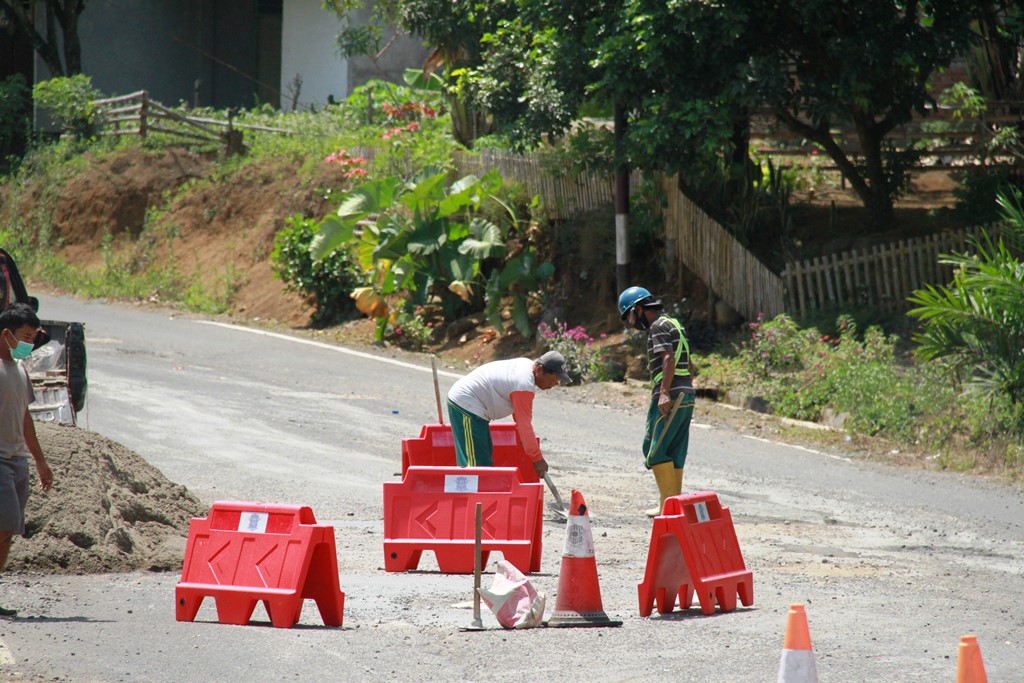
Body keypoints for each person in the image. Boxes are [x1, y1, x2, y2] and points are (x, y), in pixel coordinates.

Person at [618, 286, 696, 517]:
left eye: (629, 317)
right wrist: (687, 386)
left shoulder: (657, 327)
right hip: (686, 395)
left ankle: (668, 505)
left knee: (654, 449)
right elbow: (688, 362)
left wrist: (664, 393)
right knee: (675, 448)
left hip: (671, 395)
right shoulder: (674, 324)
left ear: (638, 310)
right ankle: (673, 504)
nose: (631, 324)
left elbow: (669, 358)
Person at [0, 303, 54, 617]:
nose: (29, 345)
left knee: (8, 533)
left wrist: (40, 462)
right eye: (25, 337)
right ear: (6, 334)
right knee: (4, 524)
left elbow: (25, 418)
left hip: (17, 460)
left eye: (33, 338)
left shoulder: (18, 369)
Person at [447, 351, 572, 478]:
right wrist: (537, 459)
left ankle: (481, 495)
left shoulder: (527, 366)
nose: (553, 385)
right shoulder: (523, 385)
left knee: (483, 458)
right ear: (540, 369)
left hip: (474, 408)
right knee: (474, 465)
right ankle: (472, 497)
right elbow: (524, 425)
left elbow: (519, 419)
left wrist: (527, 443)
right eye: (552, 380)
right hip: (466, 404)